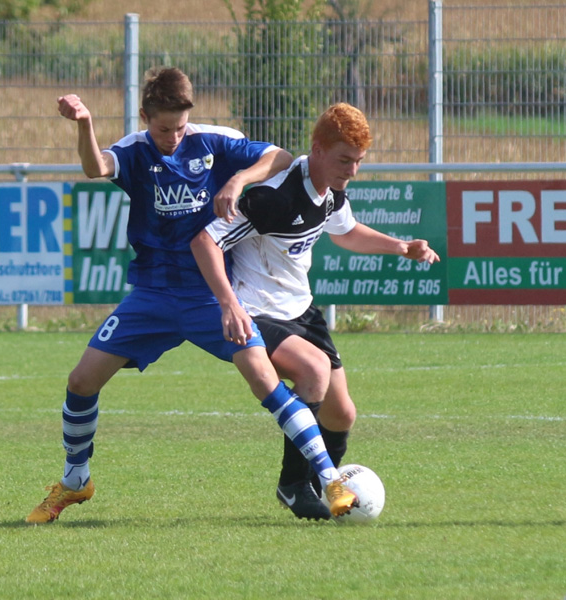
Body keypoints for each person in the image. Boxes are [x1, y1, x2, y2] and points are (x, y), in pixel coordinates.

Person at [26, 67, 358, 523]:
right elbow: (95, 167)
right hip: (153, 295)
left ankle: (330, 479)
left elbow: (279, 157)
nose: (173, 136)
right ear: (145, 117)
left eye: (181, 126)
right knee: (81, 381)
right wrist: (84, 123)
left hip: (208, 295)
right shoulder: (135, 150)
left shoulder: (209, 142)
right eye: (164, 128)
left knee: (265, 382)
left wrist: (237, 180)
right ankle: (75, 480)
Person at [191, 102, 439, 519]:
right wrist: (228, 304)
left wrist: (400, 246)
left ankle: (317, 482)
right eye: (345, 160)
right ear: (318, 149)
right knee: (313, 371)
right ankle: (293, 485)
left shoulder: (331, 186)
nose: (353, 170)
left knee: (342, 414)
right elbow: (205, 241)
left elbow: (346, 232)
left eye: (358, 162)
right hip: (258, 311)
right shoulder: (275, 196)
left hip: (302, 310)